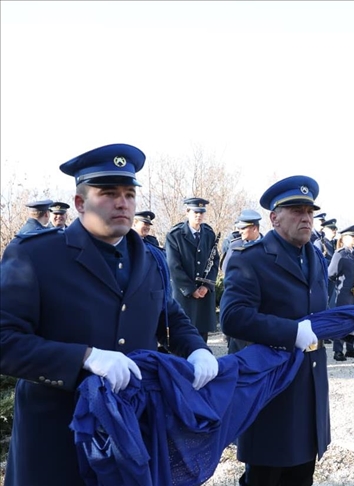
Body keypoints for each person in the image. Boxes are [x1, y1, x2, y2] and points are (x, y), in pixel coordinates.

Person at [0, 143, 217, 486]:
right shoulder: (36, 256)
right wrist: (85, 358)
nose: (122, 202)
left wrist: (196, 348)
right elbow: (5, 342)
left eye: (129, 194)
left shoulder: (150, 259)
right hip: (58, 441)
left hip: (132, 436)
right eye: (108, 193)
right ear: (80, 202)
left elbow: (169, 317)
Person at [220, 175, 332, 486]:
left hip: (309, 384)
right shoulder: (252, 259)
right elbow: (232, 317)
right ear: (274, 217)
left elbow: (319, 309)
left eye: (309, 211)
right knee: (266, 474)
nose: (306, 218)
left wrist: (345, 321)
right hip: (271, 388)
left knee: (302, 475)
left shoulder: (315, 257)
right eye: (296, 211)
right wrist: (291, 332)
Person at [165, 197, 219, 344]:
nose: (199, 215)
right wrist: (190, 289)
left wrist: (207, 285)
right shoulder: (175, 235)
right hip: (184, 296)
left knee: (201, 339)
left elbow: (214, 262)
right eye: (195, 212)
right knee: (182, 337)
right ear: (187, 212)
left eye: (201, 212)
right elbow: (173, 266)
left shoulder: (209, 234)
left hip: (203, 295)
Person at [327, 225, 354, 362]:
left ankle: (350, 348)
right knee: (341, 321)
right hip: (343, 293)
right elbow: (331, 274)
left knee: (353, 321)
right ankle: (338, 350)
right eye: (352, 236)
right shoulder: (339, 254)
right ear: (344, 239)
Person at [221, 209, 263, 274]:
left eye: (243, 228)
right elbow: (226, 270)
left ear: (254, 229)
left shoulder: (268, 246)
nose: (240, 232)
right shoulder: (235, 245)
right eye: (239, 228)